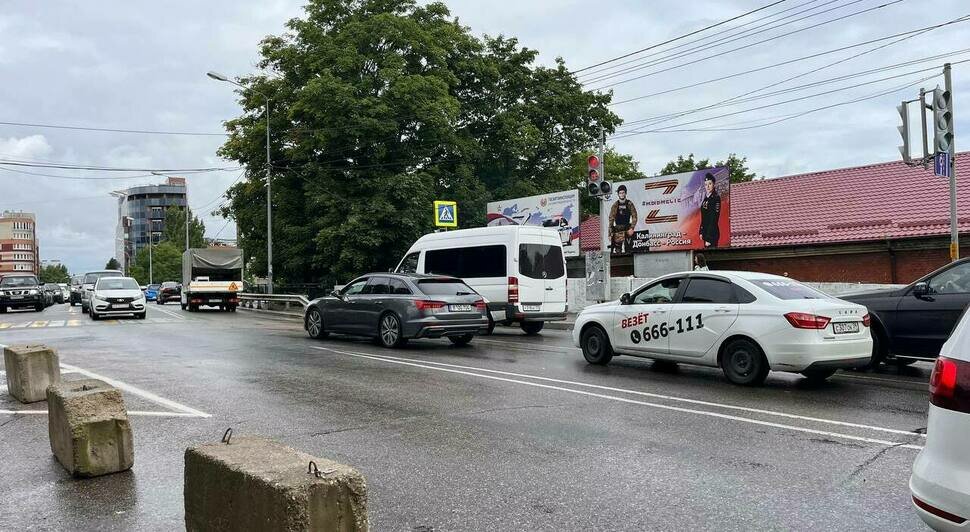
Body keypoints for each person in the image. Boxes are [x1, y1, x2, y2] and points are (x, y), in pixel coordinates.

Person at [609, 184, 638, 254]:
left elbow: (635, 216)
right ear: (618, 194)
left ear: (625, 193)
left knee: (629, 250)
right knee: (618, 251)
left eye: (623, 193)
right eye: (620, 193)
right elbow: (611, 219)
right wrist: (610, 234)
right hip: (618, 229)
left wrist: (632, 228)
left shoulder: (629, 204)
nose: (621, 194)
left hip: (628, 228)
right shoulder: (615, 205)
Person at [698, 173, 721, 248]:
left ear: (714, 184)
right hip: (705, 232)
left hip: (712, 234)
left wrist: (709, 237)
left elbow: (714, 219)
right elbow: (704, 217)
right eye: (706, 184)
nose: (707, 186)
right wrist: (701, 231)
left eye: (710, 184)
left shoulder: (716, 198)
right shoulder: (706, 198)